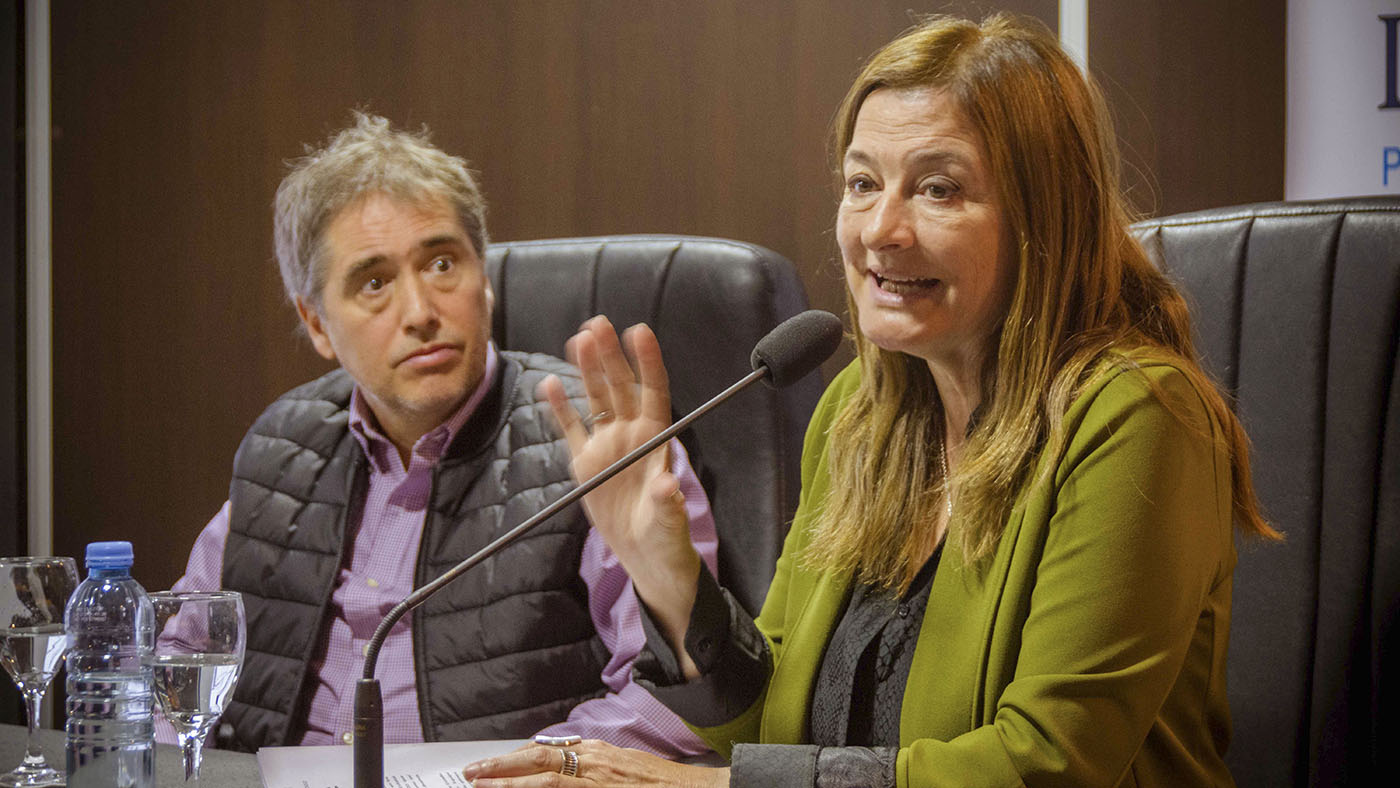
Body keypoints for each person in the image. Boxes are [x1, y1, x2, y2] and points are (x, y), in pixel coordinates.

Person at [462, 12, 1279, 788]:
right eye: (862, 183)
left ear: (1045, 221)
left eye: (938, 190)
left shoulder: (1138, 416)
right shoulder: (860, 413)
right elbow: (775, 727)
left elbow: (1047, 765)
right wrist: (665, 571)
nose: (880, 229)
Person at [165, 111, 718, 757]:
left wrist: (514, 774)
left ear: (484, 280)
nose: (421, 312)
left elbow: (679, 703)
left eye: (443, 264)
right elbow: (175, 659)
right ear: (316, 323)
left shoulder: (599, 445)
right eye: (375, 283)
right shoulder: (281, 453)